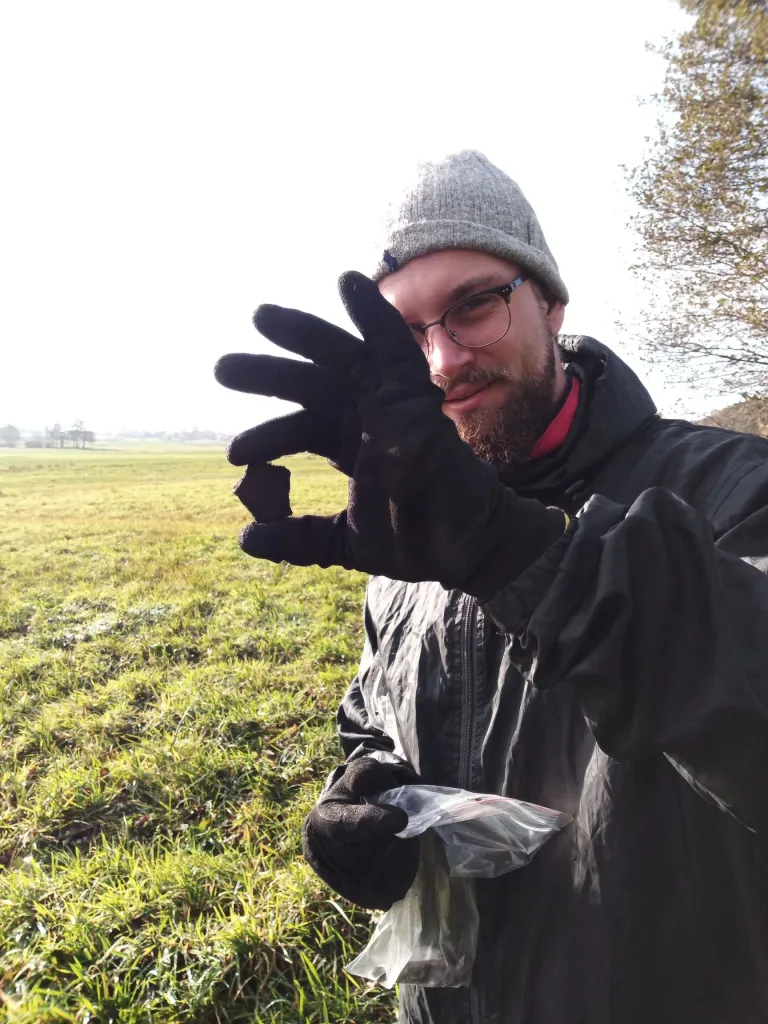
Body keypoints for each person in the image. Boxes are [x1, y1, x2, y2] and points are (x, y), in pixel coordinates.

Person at [215, 151, 768, 1024]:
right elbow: (376, 711)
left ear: (549, 301)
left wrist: (529, 558)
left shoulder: (735, 488)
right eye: (407, 337)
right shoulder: (413, 538)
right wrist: (357, 794)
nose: (442, 360)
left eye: (473, 305)